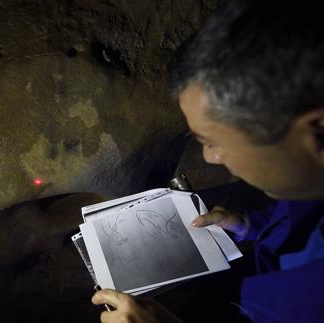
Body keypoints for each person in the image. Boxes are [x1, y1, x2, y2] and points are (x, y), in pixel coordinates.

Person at [92, 0, 324, 321]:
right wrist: (246, 226)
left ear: (316, 132)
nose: (209, 157)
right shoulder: (308, 182)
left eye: (213, 141)